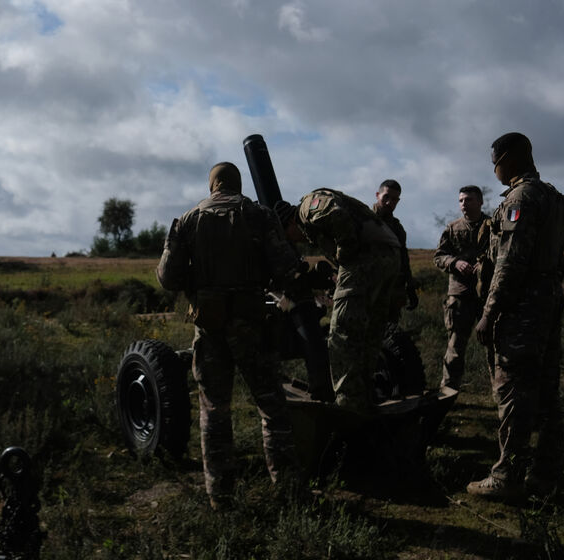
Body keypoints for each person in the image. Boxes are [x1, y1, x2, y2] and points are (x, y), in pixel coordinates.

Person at [156, 162, 302, 510]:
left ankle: (221, 497)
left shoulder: (187, 220)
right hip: (254, 326)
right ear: (238, 183)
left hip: (210, 328)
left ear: (212, 185)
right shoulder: (260, 216)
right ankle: (289, 493)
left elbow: (167, 278)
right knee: (272, 409)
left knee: (214, 411)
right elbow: (286, 268)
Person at [467, 133, 564, 500]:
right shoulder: (552, 196)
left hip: (521, 306)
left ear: (509, 159)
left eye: (495, 161)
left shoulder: (521, 198)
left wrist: (489, 313)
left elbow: (510, 263)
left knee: (513, 388)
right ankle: (546, 474)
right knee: (545, 388)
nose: (493, 168)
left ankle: (507, 476)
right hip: (547, 301)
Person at [274, 188, 401, 414]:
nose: (296, 241)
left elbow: (337, 214)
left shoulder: (305, 209)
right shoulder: (311, 222)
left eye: (289, 236)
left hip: (366, 257)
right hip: (389, 256)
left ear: (289, 224)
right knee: (369, 331)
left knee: (342, 334)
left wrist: (345, 255)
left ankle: (348, 405)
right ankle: (365, 394)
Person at [432, 185, 490, 391]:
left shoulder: (493, 227)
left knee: (494, 345)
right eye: (461, 200)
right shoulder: (452, 228)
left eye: (469, 200)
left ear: (480, 202)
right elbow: (439, 256)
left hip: (488, 296)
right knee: (455, 347)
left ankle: (498, 390)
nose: (463, 204)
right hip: (460, 295)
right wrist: (454, 263)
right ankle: (448, 391)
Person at [373, 180, 419, 320]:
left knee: (389, 336)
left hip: (391, 292)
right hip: (366, 290)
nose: (389, 202)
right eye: (386, 197)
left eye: (394, 199)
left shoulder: (397, 228)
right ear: (377, 195)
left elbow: (404, 259)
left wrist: (410, 287)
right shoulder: (364, 220)